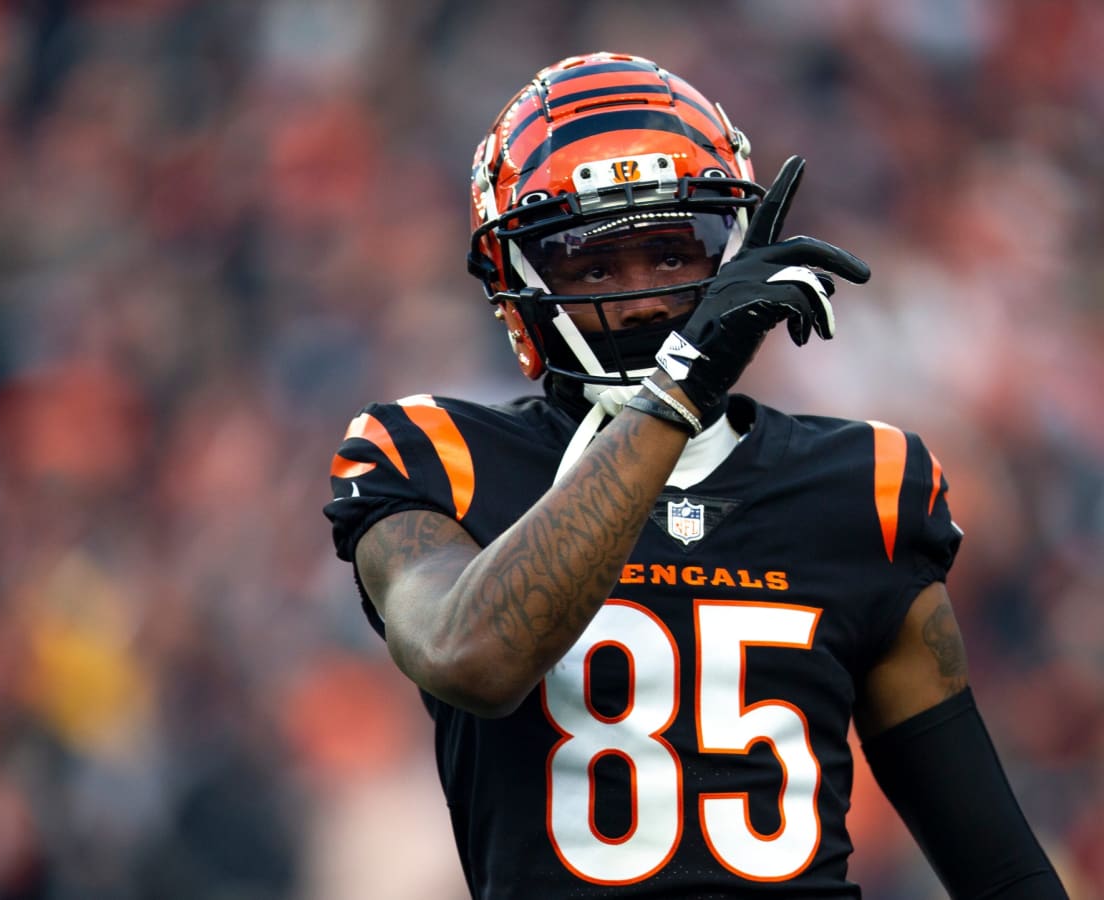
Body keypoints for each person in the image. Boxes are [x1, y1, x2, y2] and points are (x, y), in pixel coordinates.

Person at [323, 51, 1067, 899]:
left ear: (735, 250)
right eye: (595, 267)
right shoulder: (433, 454)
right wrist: (680, 393)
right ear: (518, 282)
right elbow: (474, 657)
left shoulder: (864, 485)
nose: (643, 300)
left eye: (673, 255)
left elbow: (999, 870)